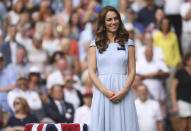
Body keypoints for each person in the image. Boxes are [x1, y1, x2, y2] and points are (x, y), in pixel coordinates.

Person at [88, 6, 139, 131]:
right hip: (102, 92)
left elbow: (132, 71)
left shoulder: (128, 42)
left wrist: (124, 90)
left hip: (123, 91)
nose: (113, 22)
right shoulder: (95, 44)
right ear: (103, 23)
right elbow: (91, 71)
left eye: (116, 19)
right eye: (109, 20)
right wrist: (104, 90)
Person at [171, 51, 191, 131]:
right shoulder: (180, 72)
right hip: (183, 101)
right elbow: (173, 89)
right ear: (187, 61)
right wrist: (175, 105)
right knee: (184, 126)